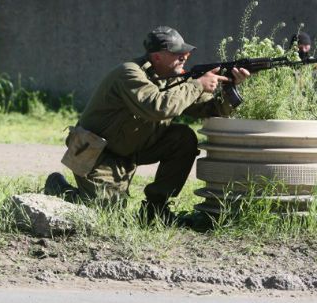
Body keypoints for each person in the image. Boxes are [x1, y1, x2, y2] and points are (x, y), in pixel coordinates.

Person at [45, 26, 251, 223]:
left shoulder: (172, 79)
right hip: (99, 154)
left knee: (183, 138)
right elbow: (157, 107)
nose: (185, 56)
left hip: (133, 149)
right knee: (105, 215)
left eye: (185, 53)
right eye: (178, 53)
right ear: (157, 56)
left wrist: (229, 88)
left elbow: (209, 109)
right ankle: (59, 189)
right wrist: (198, 85)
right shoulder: (129, 73)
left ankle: (155, 209)